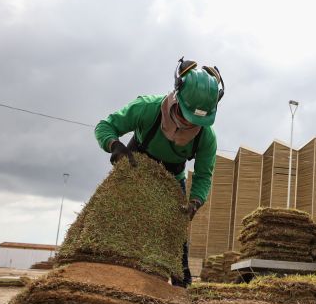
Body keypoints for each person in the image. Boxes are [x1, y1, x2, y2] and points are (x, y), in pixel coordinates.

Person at [94, 57, 222, 286]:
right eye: (185, 115)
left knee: (176, 242)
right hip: (135, 170)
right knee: (116, 227)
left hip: (173, 180)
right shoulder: (146, 108)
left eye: (195, 122)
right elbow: (105, 126)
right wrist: (114, 145)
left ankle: (181, 288)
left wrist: (195, 201)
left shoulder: (206, 137)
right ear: (177, 96)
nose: (188, 125)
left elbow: (204, 175)